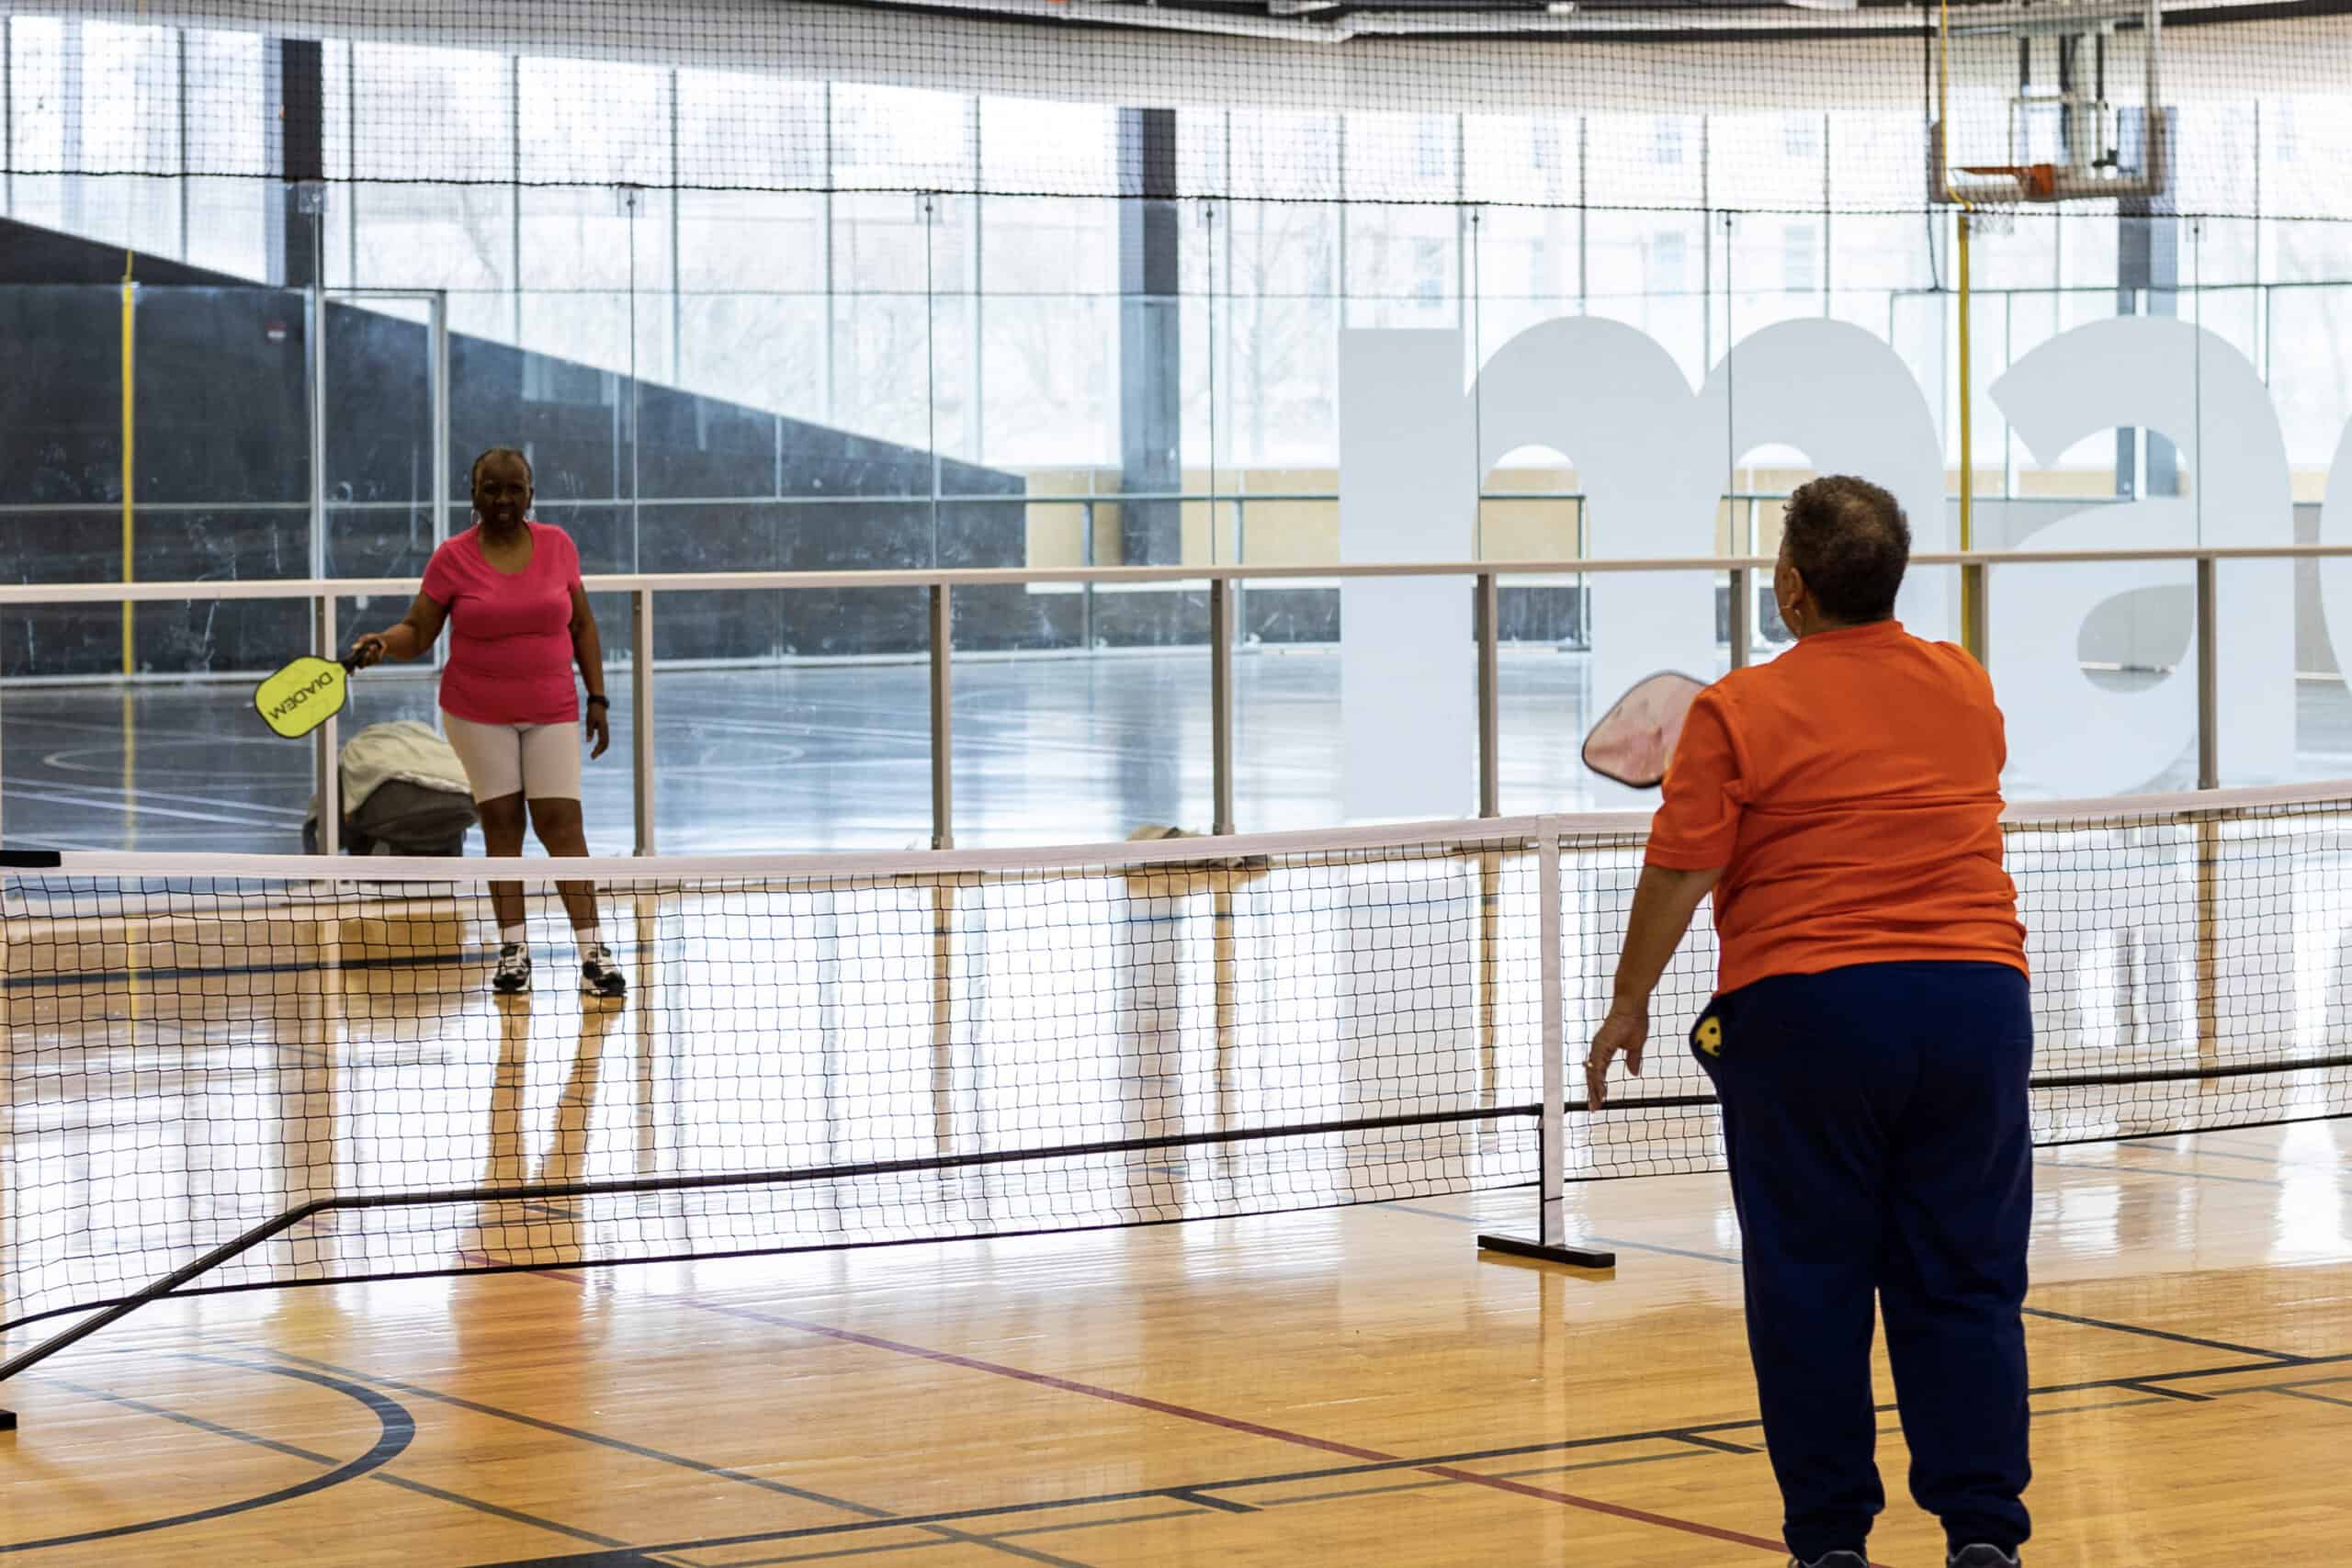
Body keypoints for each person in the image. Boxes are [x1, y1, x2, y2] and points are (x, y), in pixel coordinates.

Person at [1584, 475, 2031, 1568]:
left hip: (1811, 1011)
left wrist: (1630, 998)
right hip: (1975, 1006)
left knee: (1810, 1280)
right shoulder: (1965, 684)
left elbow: (1683, 867)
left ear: (1790, 587)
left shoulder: (1736, 712)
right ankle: (1983, 1535)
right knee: (1965, 1278)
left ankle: (1830, 1542)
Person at [352, 446, 625, 998]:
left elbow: (584, 627)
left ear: (531, 493)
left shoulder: (558, 546)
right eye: (491, 489)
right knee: (503, 828)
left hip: (552, 707)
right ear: (473, 495)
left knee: (561, 827)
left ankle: (594, 953)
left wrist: (598, 698)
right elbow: (419, 630)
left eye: (514, 488)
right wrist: (384, 642)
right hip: (478, 713)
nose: (503, 499)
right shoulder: (453, 558)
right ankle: (513, 952)